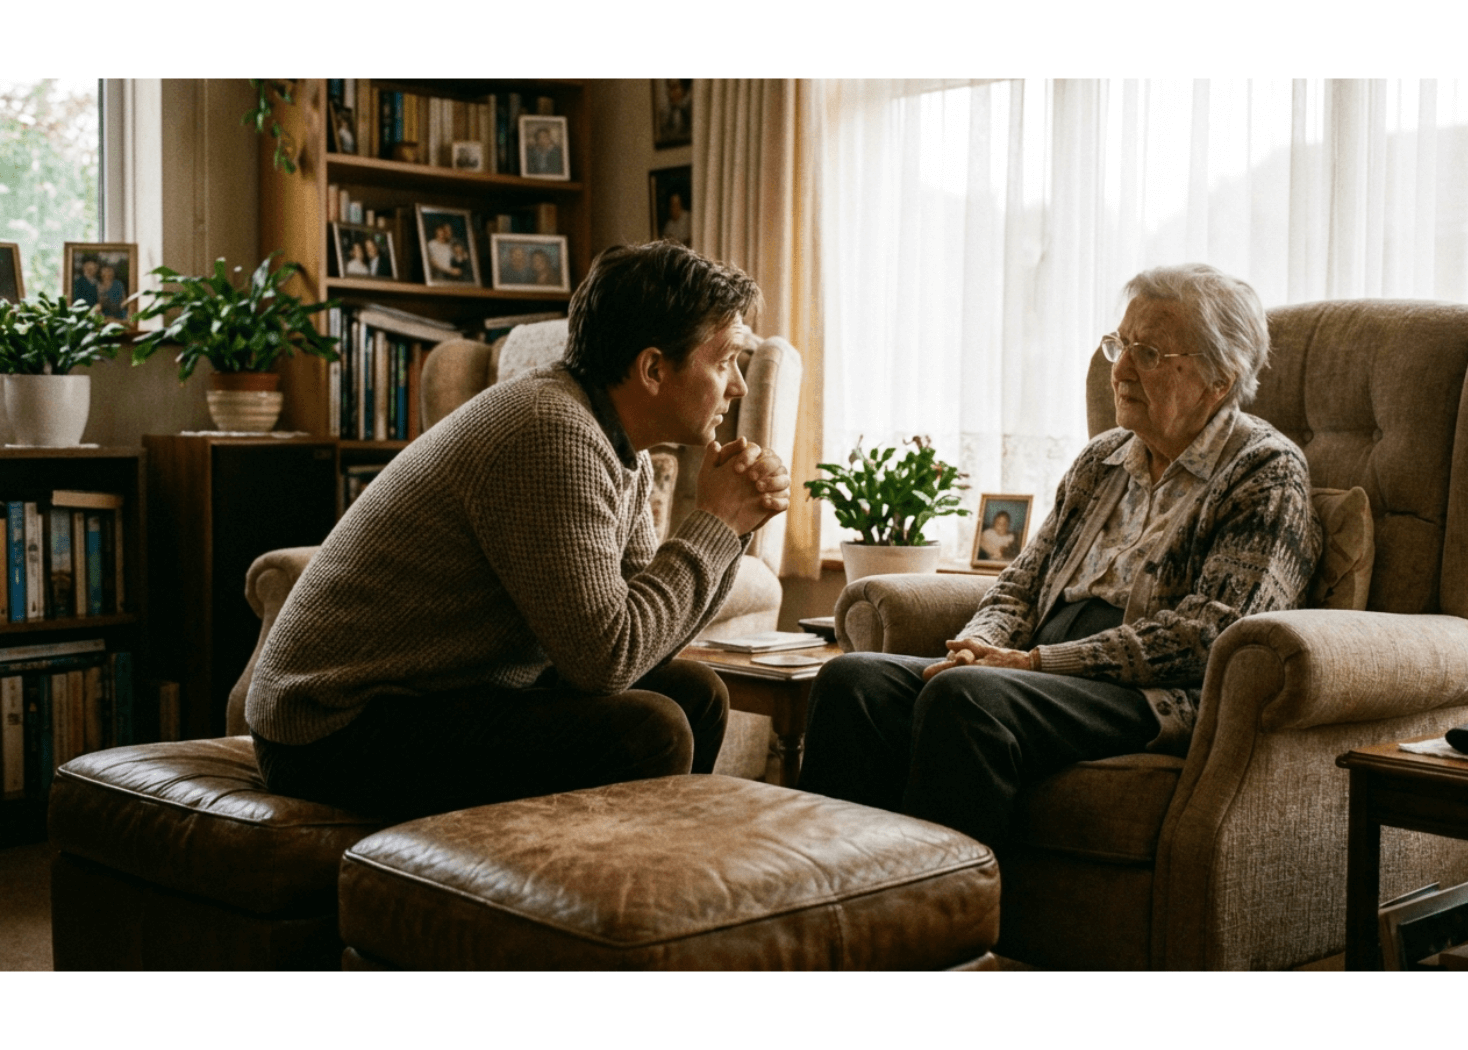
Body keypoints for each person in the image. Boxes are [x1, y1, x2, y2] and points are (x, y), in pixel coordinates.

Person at [246, 240, 789, 820]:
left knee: (694, 693)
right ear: (653, 368)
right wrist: (715, 523)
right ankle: (586, 899)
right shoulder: (550, 431)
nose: (739, 387)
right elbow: (605, 661)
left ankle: (649, 887)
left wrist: (731, 528)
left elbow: (643, 640)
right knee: (649, 729)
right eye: (726, 359)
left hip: (439, 696)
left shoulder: (613, 440)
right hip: (335, 725)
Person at [796, 263, 1323, 849]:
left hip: (1149, 693)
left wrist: (1038, 664)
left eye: (1146, 354)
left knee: (966, 697)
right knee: (853, 681)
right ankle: (827, 903)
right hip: (1041, 669)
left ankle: (939, 921)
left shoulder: (1265, 471)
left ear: (1217, 379)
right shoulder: (1103, 460)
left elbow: (1207, 636)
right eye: (1119, 345)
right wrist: (977, 645)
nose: (1117, 368)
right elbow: (1021, 584)